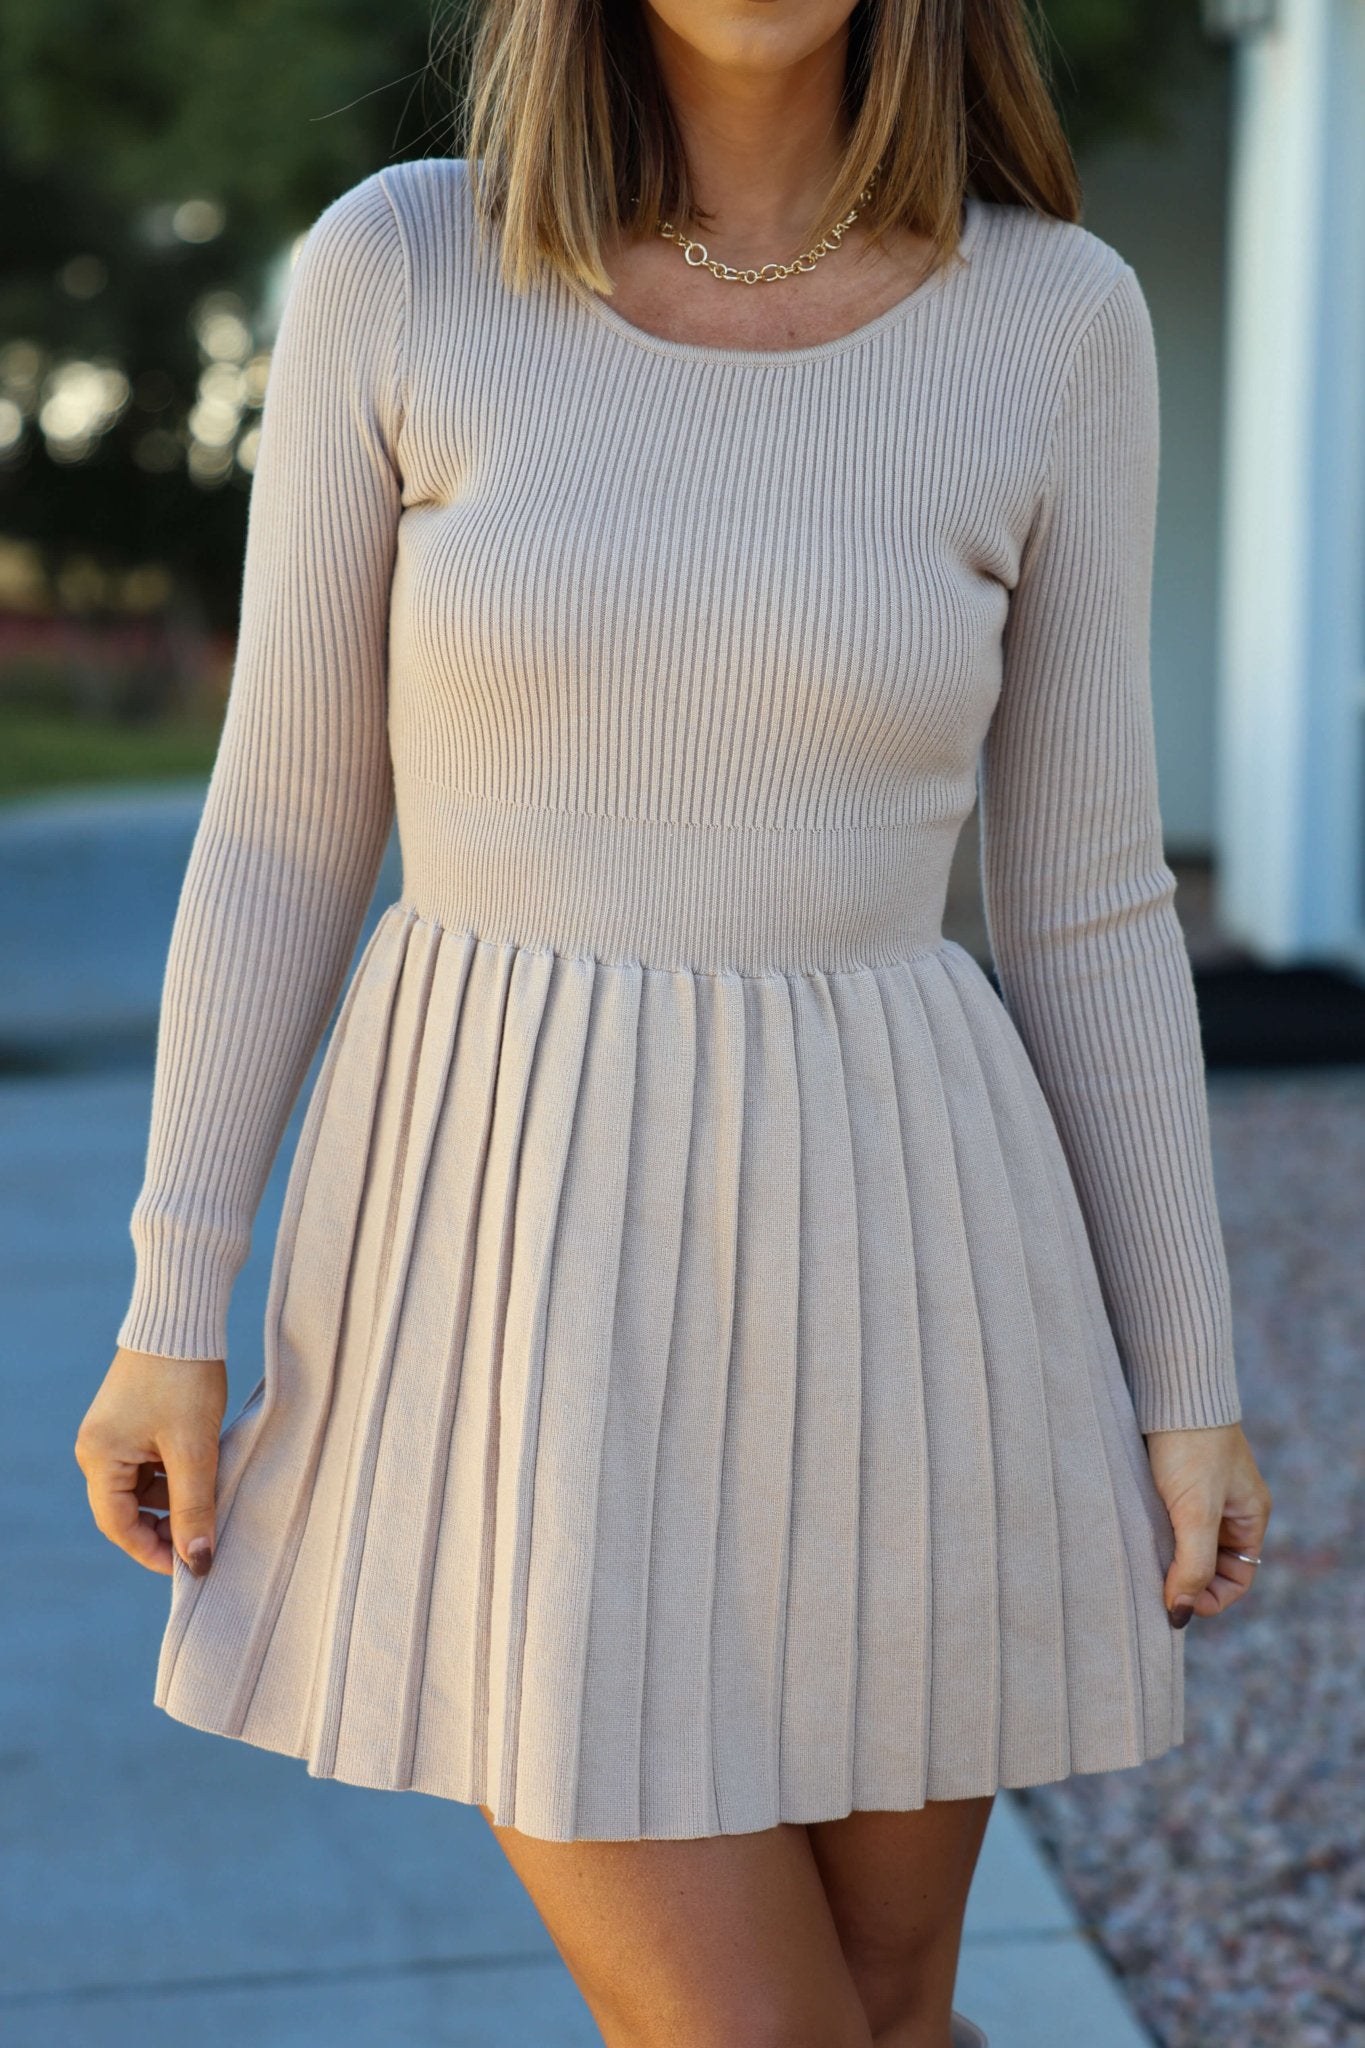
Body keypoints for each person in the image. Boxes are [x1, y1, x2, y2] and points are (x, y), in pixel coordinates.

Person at [75, 2, 1273, 2043]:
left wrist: (1185, 1380)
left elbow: (1078, 903)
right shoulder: (404, 266)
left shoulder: (1052, 316)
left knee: (894, 2013)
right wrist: (169, 1300)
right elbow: (284, 826)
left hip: (909, 1266)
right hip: (511, 1258)